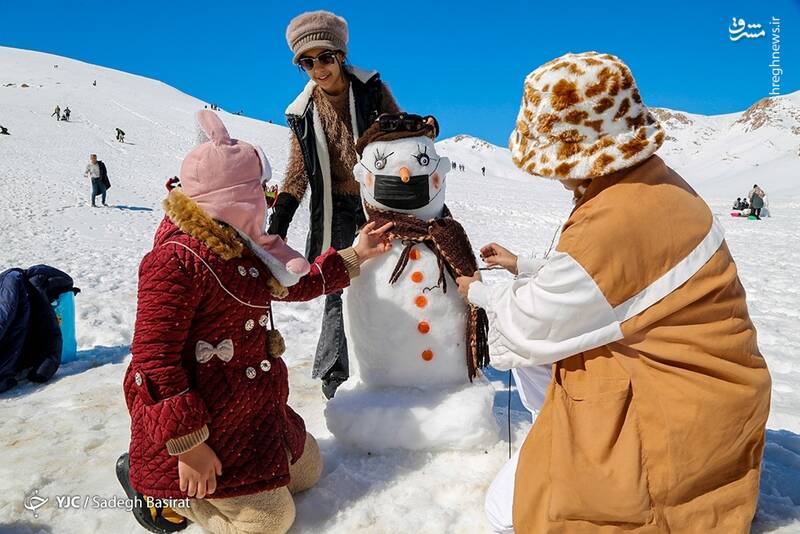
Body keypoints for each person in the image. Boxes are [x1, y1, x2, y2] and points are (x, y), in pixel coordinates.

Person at [456, 51, 770, 533]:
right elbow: (624, 281)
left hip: (679, 420)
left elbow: (525, 326)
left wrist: (480, 292)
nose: (555, 177)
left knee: (509, 510)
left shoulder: (612, 222)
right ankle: (564, 431)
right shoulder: (654, 184)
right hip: (719, 401)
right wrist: (524, 266)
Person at [116, 110, 392, 534]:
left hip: (249, 410)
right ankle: (161, 495)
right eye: (259, 191)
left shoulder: (241, 242)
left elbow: (295, 285)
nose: (266, 199)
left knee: (310, 470)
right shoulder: (175, 262)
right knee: (269, 521)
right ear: (234, 196)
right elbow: (153, 363)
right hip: (203, 423)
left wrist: (356, 254)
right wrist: (190, 446)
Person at [268, 9, 402, 399]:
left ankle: (389, 361)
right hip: (335, 207)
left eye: (324, 57)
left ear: (340, 55)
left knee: (387, 278)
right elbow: (297, 171)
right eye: (306, 62)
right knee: (334, 283)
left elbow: (398, 132)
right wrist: (277, 225)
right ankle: (334, 373)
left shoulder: (372, 89)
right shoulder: (302, 112)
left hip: (377, 202)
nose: (317, 69)